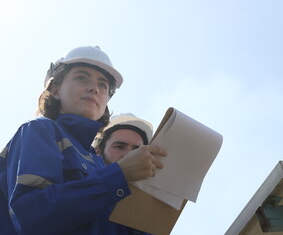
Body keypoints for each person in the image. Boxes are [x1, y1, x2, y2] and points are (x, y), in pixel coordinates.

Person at [0, 46, 166, 235]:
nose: (94, 88)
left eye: (103, 85)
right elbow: (32, 217)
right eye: (81, 77)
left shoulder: (99, 165)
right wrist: (119, 175)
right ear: (55, 90)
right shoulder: (40, 130)